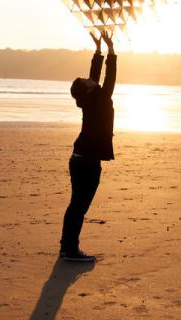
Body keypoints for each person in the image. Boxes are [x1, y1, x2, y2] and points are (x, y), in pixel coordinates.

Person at [59, 30, 116, 263]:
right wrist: (111, 52)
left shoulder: (90, 99)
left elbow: (96, 76)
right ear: (89, 88)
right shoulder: (99, 98)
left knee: (76, 205)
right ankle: (70, 250)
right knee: (79, 207)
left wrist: (99, 51)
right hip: (88, 161)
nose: (90, 78)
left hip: (79, 158)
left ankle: (67, 247)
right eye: (87, 81)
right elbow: (109, 78)